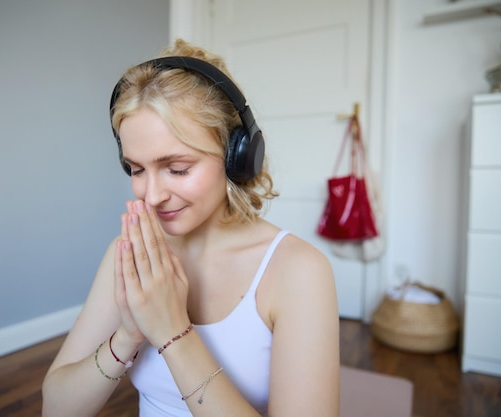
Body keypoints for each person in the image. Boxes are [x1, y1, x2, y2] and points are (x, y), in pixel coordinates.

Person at [42, 39, 339, 417]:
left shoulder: (298, 271)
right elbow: (56, 408)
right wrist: (129, 335)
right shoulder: (133, 252)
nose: (151, 196)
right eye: (135, 169)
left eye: (177, 169)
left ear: (237, 157)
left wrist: (172, 332)